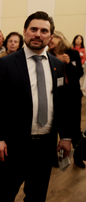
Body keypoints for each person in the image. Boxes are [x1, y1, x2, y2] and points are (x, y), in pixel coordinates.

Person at [0, 11, 72, 202]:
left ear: (50, 36)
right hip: (12, 146)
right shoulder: (6, 63)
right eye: (33, 29)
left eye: (44, 31)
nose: (38, 34)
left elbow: (62, 104)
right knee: (6, 194)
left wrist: (66, 136)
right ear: (25, 31)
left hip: (44, 147)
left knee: (37, 196)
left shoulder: (57, 65)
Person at [48, 30, 84, 168]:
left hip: (73, 96)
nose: (49, 40)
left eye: (52, 38)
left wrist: (69, 64)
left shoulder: (72, 53)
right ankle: (54, 157)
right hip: (56, 96)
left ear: (59, 39)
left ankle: (78, 156)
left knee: (75, 127)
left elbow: (79, 74)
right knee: (54, 126)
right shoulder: (48, 55)